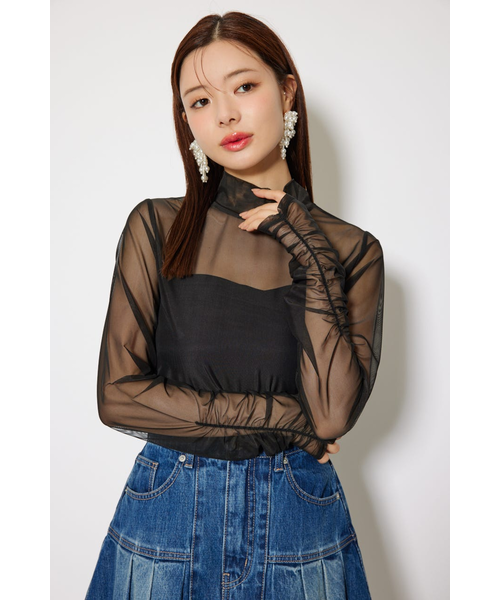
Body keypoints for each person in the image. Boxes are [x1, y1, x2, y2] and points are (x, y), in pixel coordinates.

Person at [86, 11, 384, 600]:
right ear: (188, 122)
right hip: (167, 514)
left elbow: (330, 417)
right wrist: (287, 417)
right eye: (199, 101)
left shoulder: (352, 251)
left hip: (297, 520)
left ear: (287, 91)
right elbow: (118, 396)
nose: (224, 114)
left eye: (244, 86)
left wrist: (309, 250)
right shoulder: (157, 227)